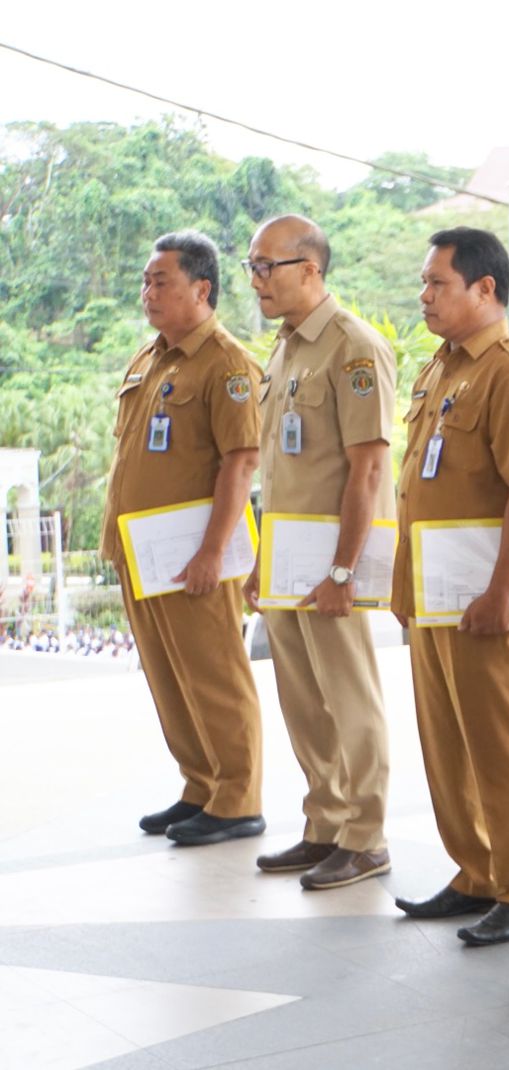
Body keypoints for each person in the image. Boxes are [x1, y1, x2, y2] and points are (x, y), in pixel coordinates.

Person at [385, 228, 509, 944]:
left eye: (438, 284)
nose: (425, 296)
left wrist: (503, 590)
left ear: (485, 290)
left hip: (485, 600)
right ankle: (476, 870)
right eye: (424, 283)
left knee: (500, 745)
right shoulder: (442, 368)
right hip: (434, 596)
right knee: (448, 745)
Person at [243, 214, 395, 891]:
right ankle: (324, 824)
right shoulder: (282, 350)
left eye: (267, 266)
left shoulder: (351, 347)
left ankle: (366, 837)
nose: (256, 280)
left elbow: (366, 470)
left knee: (350, 701)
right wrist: (259, 559)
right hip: (286, 559)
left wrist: (343, 570)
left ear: (310, 269)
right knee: (303, 700)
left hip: (336, 564)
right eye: (252, 266)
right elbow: (279, 468)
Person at [104, 230, 266, 847]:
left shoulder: (225, 364)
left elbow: (240, 464)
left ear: (202, 288)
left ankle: (238, 798)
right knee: (169, 677)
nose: (148, 292)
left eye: (160, 281)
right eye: (146, 281)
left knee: (215, 677)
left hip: (194, 557)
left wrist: (212, 552)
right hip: (142, 553)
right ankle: (200, 786)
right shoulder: (151, 358)